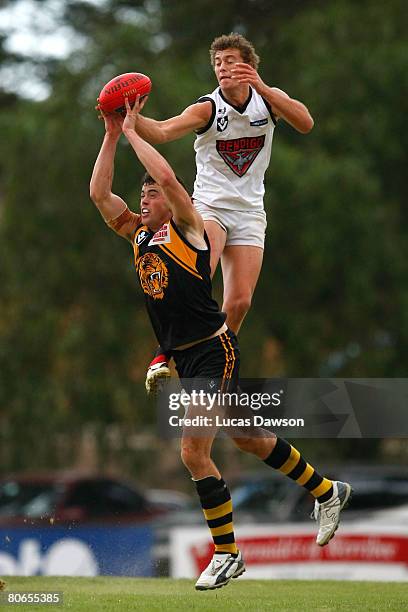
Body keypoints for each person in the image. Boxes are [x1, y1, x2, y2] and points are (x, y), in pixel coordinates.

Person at [90, 96, 350, 591]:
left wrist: (134, 134)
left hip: (213, 349)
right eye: (140, 197)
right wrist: (109, 134)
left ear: (174, 204)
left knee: (192, 451)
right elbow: (100, 195)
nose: (143, 201)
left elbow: (168, 178)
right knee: (248, 438)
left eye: (149, 197)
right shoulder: (139, 240)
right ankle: (326, 489)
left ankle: (227, 553)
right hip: (186, 358)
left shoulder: (189, 231)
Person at [132, 32, 314, 393]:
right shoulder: (209, 109)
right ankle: (163, 353)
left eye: (230, 61)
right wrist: (130, 116)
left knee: (240, 300)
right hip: (210, 207)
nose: (222, 68)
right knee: (197, 277)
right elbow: (164, 131)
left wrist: (262, 86)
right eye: (217, 63)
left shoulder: (268, 101)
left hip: (249, 212)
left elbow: (306, 123)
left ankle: (213, 366)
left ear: (248, 64)